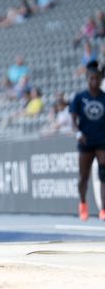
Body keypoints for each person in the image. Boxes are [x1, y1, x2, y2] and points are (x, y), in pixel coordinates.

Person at [69, 61, 105, 221]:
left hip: (102, 141)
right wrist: (78, 134)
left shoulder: (104, 97)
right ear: (87, 79)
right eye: (92, 79)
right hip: (85, 141)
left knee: (103, 175)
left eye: (97, 79)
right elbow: (73, 121)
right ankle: (83, 203)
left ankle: (103, 209)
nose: (94, 82)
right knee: (84, 177)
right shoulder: (79, 97)